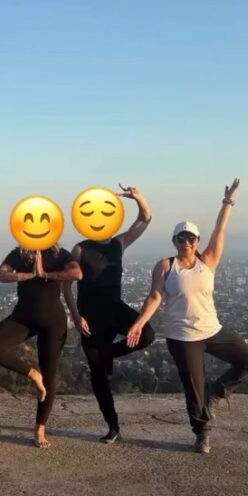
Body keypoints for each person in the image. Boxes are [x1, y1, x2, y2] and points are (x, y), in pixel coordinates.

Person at [126, 178, 248, 455]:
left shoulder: (207, 261)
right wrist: (139, 323)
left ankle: (218, 392)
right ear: (174, 241)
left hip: (212, 330)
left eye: (191, 238)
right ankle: (202, 433)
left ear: (197, 241)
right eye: (181, 237)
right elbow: (155, 297)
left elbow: (219, 231)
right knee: (193, 389)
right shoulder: (165, 266)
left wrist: (227, 202)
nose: (186, 241)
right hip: (182, 336)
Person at [62, 184, 155, 444]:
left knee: (147, 334)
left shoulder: (119, 243)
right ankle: (112, 426)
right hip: (90, 319)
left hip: (115, 309)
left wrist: (138, 197)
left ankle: (110, 353)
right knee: (99, 377)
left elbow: (145, 219)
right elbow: (66, 285)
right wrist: (75, 316)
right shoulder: (80, 249)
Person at [0, 242, 82, 448]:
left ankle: (39, 429)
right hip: (23, 318)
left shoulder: (60, 254)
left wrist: (45, 273)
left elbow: (77, 273)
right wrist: (30, 275)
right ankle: (33, 374)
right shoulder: (19, 254)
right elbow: (0, 275)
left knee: (50, 374)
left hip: (53, 322)